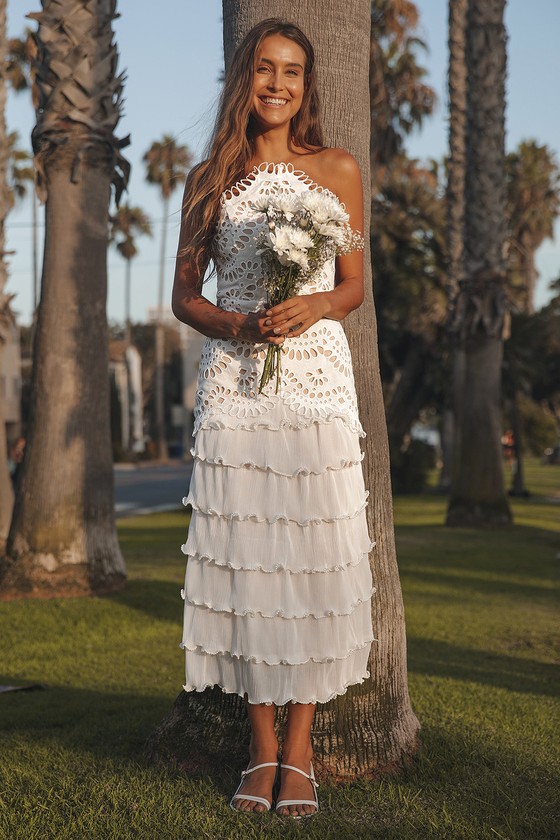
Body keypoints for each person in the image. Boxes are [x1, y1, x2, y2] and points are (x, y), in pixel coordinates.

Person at [172, 18, 376, 818]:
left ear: (307, 84)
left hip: (318, 384)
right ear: (244, 78)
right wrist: (238, 324)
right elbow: (185, 298)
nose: (279, 85)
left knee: (313, 562)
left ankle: (302, 751)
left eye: (292, 72)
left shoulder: (338, 168)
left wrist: (317, 301)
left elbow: (354, 284)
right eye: (265, 69)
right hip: (237, 384)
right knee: (249, 565)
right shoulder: (208, 178)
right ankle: (260, 752)